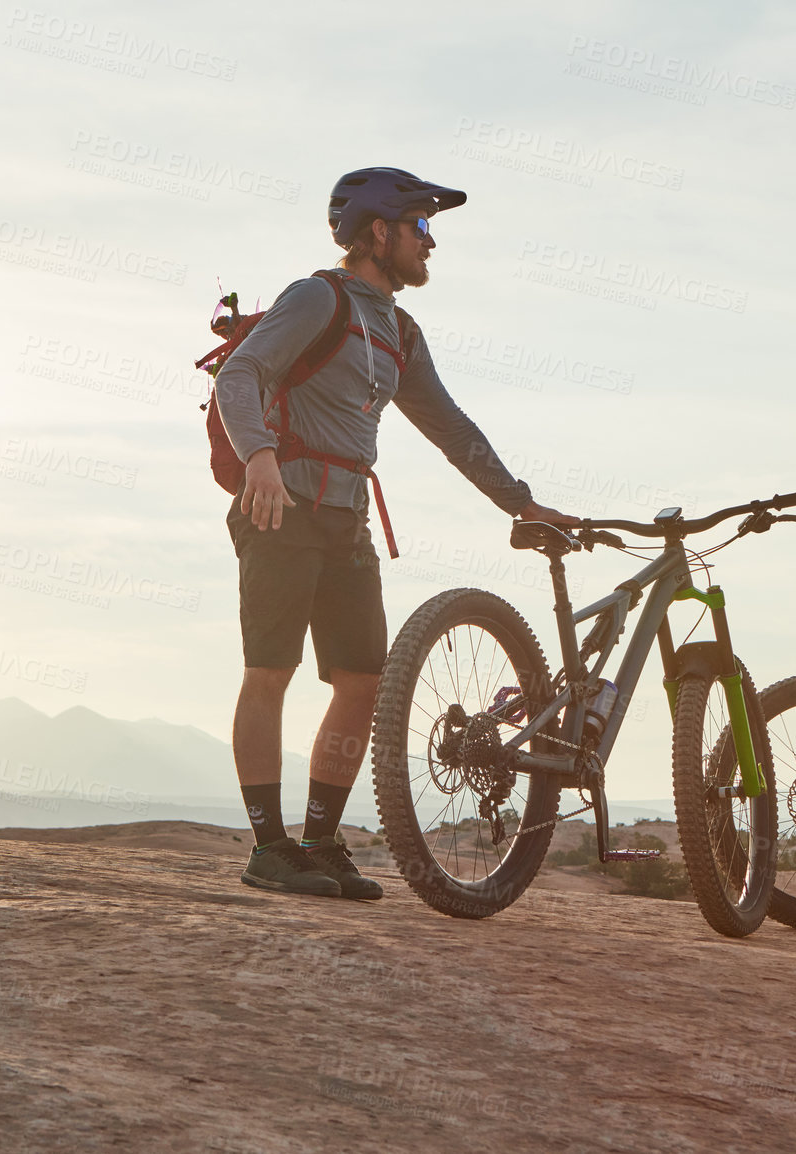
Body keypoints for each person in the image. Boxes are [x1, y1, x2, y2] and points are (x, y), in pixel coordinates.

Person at [215, 166, 573, 899]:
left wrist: (520, 503)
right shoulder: (319, 297)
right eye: (420, 228)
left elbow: (449, 427)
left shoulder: (399, 330)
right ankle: (269, 848)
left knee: (362, 682)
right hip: (280, 511)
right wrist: (259, 461)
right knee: (270, 673)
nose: (430, 244)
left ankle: (318, 842)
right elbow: (240, 375)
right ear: (379, 231)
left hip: (345, 521)